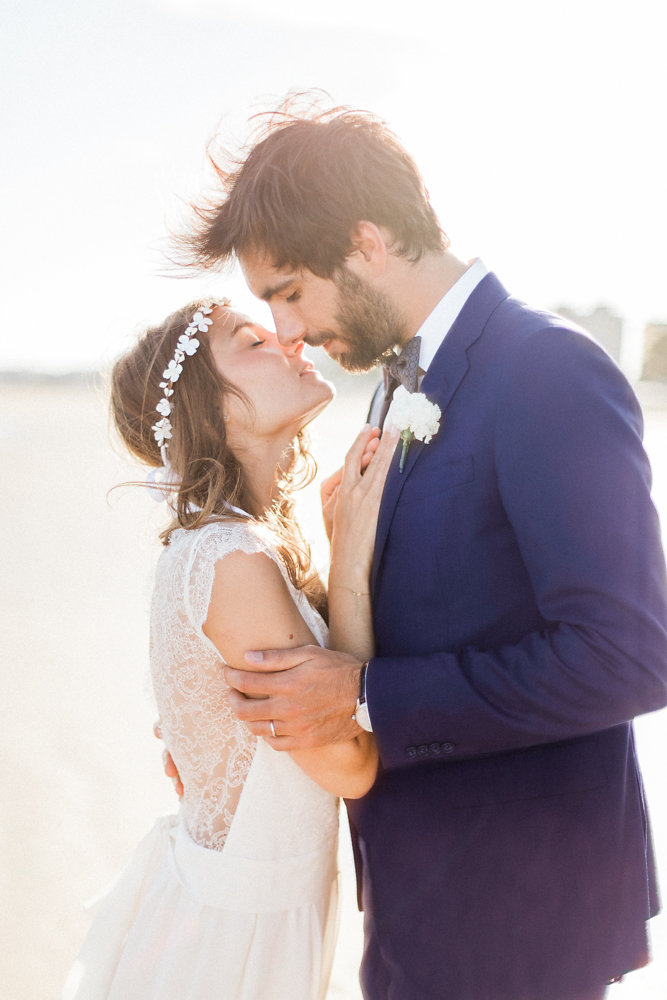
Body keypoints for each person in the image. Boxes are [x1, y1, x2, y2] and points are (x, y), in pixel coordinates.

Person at [177, 100, 667, 1000]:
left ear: (364, 241)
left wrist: (366, 693)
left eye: (289, 291)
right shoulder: (396, 384)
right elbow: (410, 609)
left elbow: (631, 657)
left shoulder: (545, 370)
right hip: (413, 894)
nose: (286, 330)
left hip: (520, 910)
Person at [62, 297, 398, 1000]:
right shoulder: (232, 559)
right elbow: (350, 766)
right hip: (232, 936)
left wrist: (338, 555)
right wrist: (353, 566)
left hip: (259, 905)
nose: (290, 342)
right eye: (252, 341)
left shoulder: (243, 543)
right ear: (213, 410)